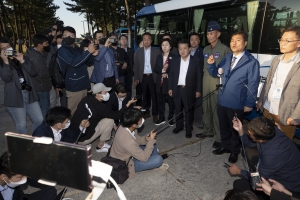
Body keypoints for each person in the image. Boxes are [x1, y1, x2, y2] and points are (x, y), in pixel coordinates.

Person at [207, 31, 260, 163]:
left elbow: (253, 84)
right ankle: (225, 146)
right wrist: (211, 64)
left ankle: (235, 151)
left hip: (237, 102)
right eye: (232, 40)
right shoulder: (227, 57)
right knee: (224, 126)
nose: (234, 43)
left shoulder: (251, 62)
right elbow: (215, 73)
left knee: (235, 129)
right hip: (222, 99)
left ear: (245, 43)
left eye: (238, 40)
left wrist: (249, 103)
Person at [228, 117, 300, 197]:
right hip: (279, 166)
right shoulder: (272, 131)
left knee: (240, 186)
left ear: (261, 140)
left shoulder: (271, 155)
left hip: (289, 187)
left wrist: (238, 171)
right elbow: (252, 144)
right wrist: (240, 130)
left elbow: (258, 179)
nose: (248, 132)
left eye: (250, 133)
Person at [257, 25, 300, 139]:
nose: (282, 43)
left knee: (282, 147)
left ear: (298, 43)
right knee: (264, 141)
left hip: (286, 114)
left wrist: (297, 115)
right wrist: (261, 100)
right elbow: (267, 83)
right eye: (281, 40)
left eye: (288, 40)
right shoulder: (276, 60)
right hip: (267, 109)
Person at [196, 21, 231, 151]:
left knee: (217, 111)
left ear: (218, 34)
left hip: (217, 83)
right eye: (207, 34)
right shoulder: (205, 49)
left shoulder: (225, 49)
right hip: (206, 82)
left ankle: (219, 138)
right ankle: (208, 130)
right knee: (206, 107)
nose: (209, 36)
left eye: (211, 33)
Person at [70, 83, 136, 153]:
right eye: (105, 92)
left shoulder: (86, 98)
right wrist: (128, 104)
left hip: (73, 135)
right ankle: (101, 146)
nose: (107, 94)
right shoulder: (100, 107)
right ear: (98, 94)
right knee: (110, 120)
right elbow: (117, 115)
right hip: (82, 140)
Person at [0, 37, 43, 134]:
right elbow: (6, 78)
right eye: (3, 48)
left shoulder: (22, 58)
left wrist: (22, 61)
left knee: (39, 120)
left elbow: (33, 73)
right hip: (15, 97)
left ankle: (33, 140)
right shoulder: (2, 63)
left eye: (8, 46)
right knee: (21, 124)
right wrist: (6, 62)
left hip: (29, 94)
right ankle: (24, 146)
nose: (7, 49)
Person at [110, 108, 163, 177]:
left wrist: (145, 139)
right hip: (128, 162)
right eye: (140, 119)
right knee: (158, 160)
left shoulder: (126, 125)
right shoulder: (127, 142)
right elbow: (143, 158)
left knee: (148, 136)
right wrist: (151, 141)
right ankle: (151, 157)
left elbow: (135, 138)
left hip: (129, 151)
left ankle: (150, 155)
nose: (142, 119)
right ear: (134, 125)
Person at [57, 26, 98, 115]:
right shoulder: (62, 51)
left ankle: (80, 127)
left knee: (82, 110)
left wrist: (92, 55)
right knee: (73, 111)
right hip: (74, 87)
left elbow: (87, 63)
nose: (68, 37)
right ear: (62, 37)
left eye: (71, 35)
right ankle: (71, 127)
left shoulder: (76, 49)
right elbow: (74, 63)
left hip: (83, 84)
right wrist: (88, 52)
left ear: (75, 36)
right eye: (66, 35)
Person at [168, 39, 202, 138]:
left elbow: (199, 77)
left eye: (185, 48)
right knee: (178, 109)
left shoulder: (196, 61)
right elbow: (171, 75)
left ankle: (188, 128)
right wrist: (170, 88)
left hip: (189, 89)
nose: (182, 51)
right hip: (177, 89)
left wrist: (198, 90)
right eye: (180, 49)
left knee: (188, 110)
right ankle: (179, 126)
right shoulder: (175, 61)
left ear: (189, 49)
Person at [134, 32, 160, 122]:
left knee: (154, 96)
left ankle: (155, 114)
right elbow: (136, 66)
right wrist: (136, 78)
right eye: (145, 39)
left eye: (148, 39)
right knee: (145, 96)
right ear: (142, 41)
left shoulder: (157, 51)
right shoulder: (138, 52)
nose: (146, 41)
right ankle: (146, 112)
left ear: (151, 41)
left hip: (153, 76)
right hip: (143, 77)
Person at [26, 34, 52, 118]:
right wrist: (53, 71)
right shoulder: (36, 58)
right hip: (41, 86)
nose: (47, 45)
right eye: (46, 43)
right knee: (44, 109)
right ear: (39, 45)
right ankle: (44, 129)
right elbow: (43, 73)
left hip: (41, 85)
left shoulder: (39, 54)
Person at [154, 38, 176, 126]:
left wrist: (167, 74)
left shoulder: (174, 57)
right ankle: (161, 118)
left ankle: (171, 118)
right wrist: (163, 70)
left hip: (169, 83)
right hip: (160, 83)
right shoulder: (159, 57)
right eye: (163, 45)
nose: (164, 47)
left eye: (166, 45)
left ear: (170, 46)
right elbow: (155, 68)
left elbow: (174, 70)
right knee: (160, 101)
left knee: (171, 102)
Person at [189, 32, 204, 130]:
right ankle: (189, 119)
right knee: (188, 100)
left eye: (196, 39)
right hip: (187, 80)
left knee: (198, 101)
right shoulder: (186, 50)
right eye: (191, 39)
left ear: (199, 41)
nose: (193, 41)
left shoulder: (202, 51)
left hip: (197, 79)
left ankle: (198, 120)